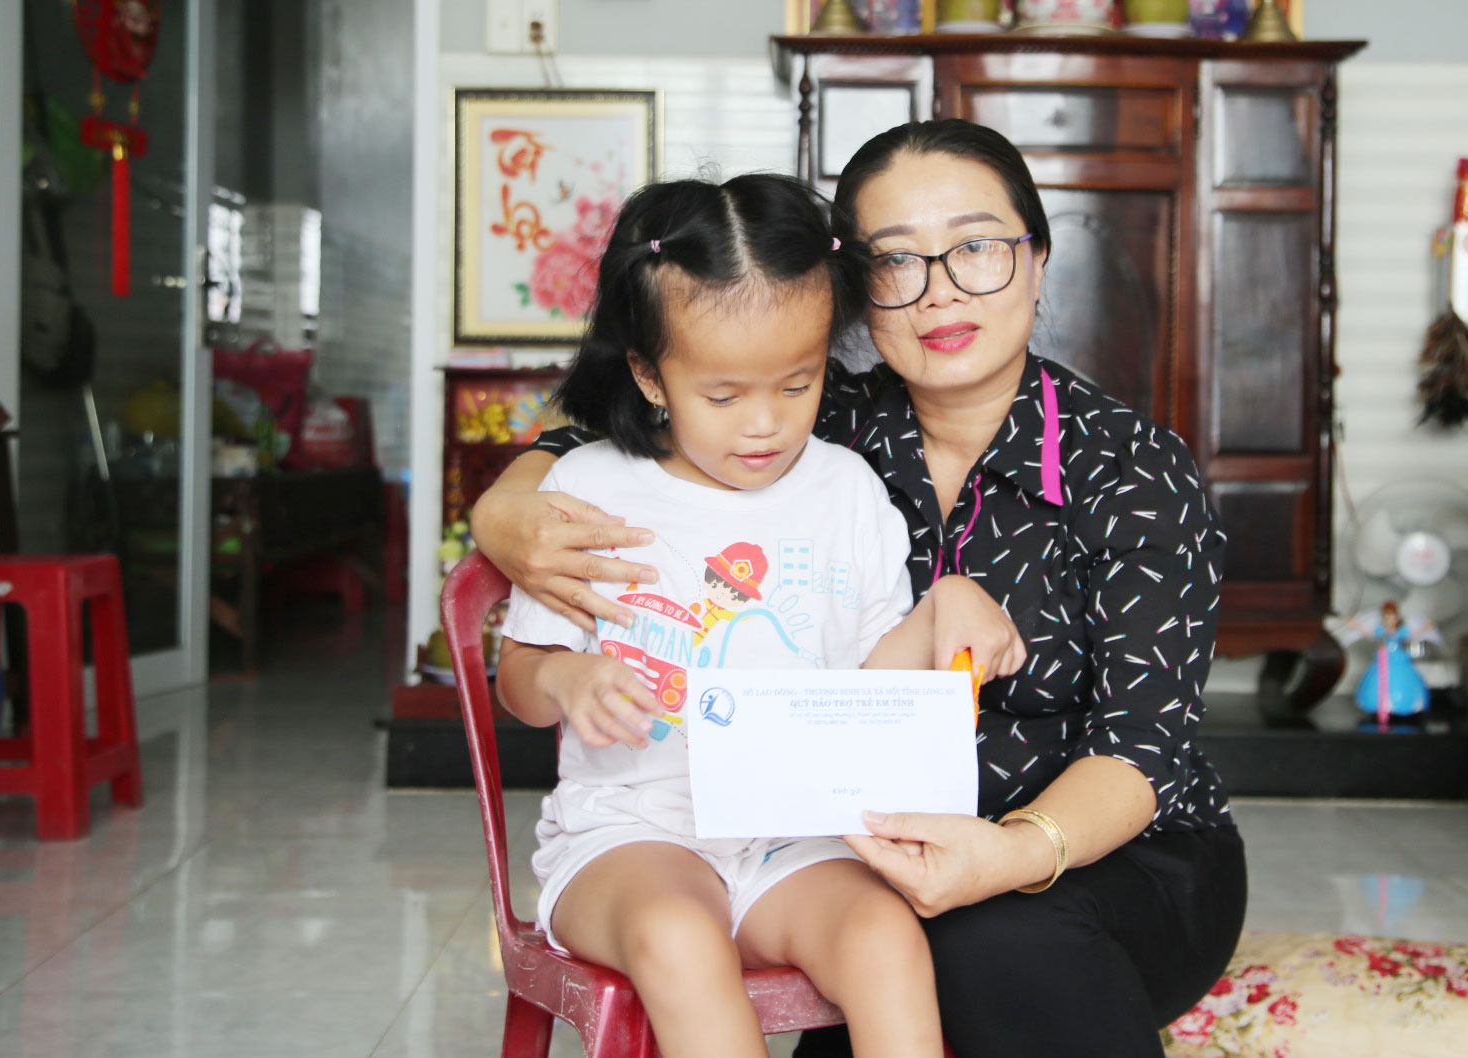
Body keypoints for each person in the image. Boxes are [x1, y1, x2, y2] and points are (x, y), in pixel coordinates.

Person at [475, 120, 1247, 1057]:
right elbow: (632, 434)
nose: (940, 290)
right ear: (855, 290)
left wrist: (1008, 852)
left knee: (985, 940)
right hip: (852, 850)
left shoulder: (1130, 470)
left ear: (1037, 258)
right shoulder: (818, 421)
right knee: (906, 934)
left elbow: (1142, 746)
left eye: (976, 247)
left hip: (1100, 856)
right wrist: (502, 512)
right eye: (896, 261)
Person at [494, 171, 1024, 1058]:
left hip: (798, 835)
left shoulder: (846, 489)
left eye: (797, 384)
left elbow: (870, 686)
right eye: (724, 396)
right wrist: (565, 677)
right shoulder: (587, 490)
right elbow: (517, 682)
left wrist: (944, 607)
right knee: (680, 936)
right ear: (649, 374)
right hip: (632, 836)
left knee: (885, 937)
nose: (764, 426)